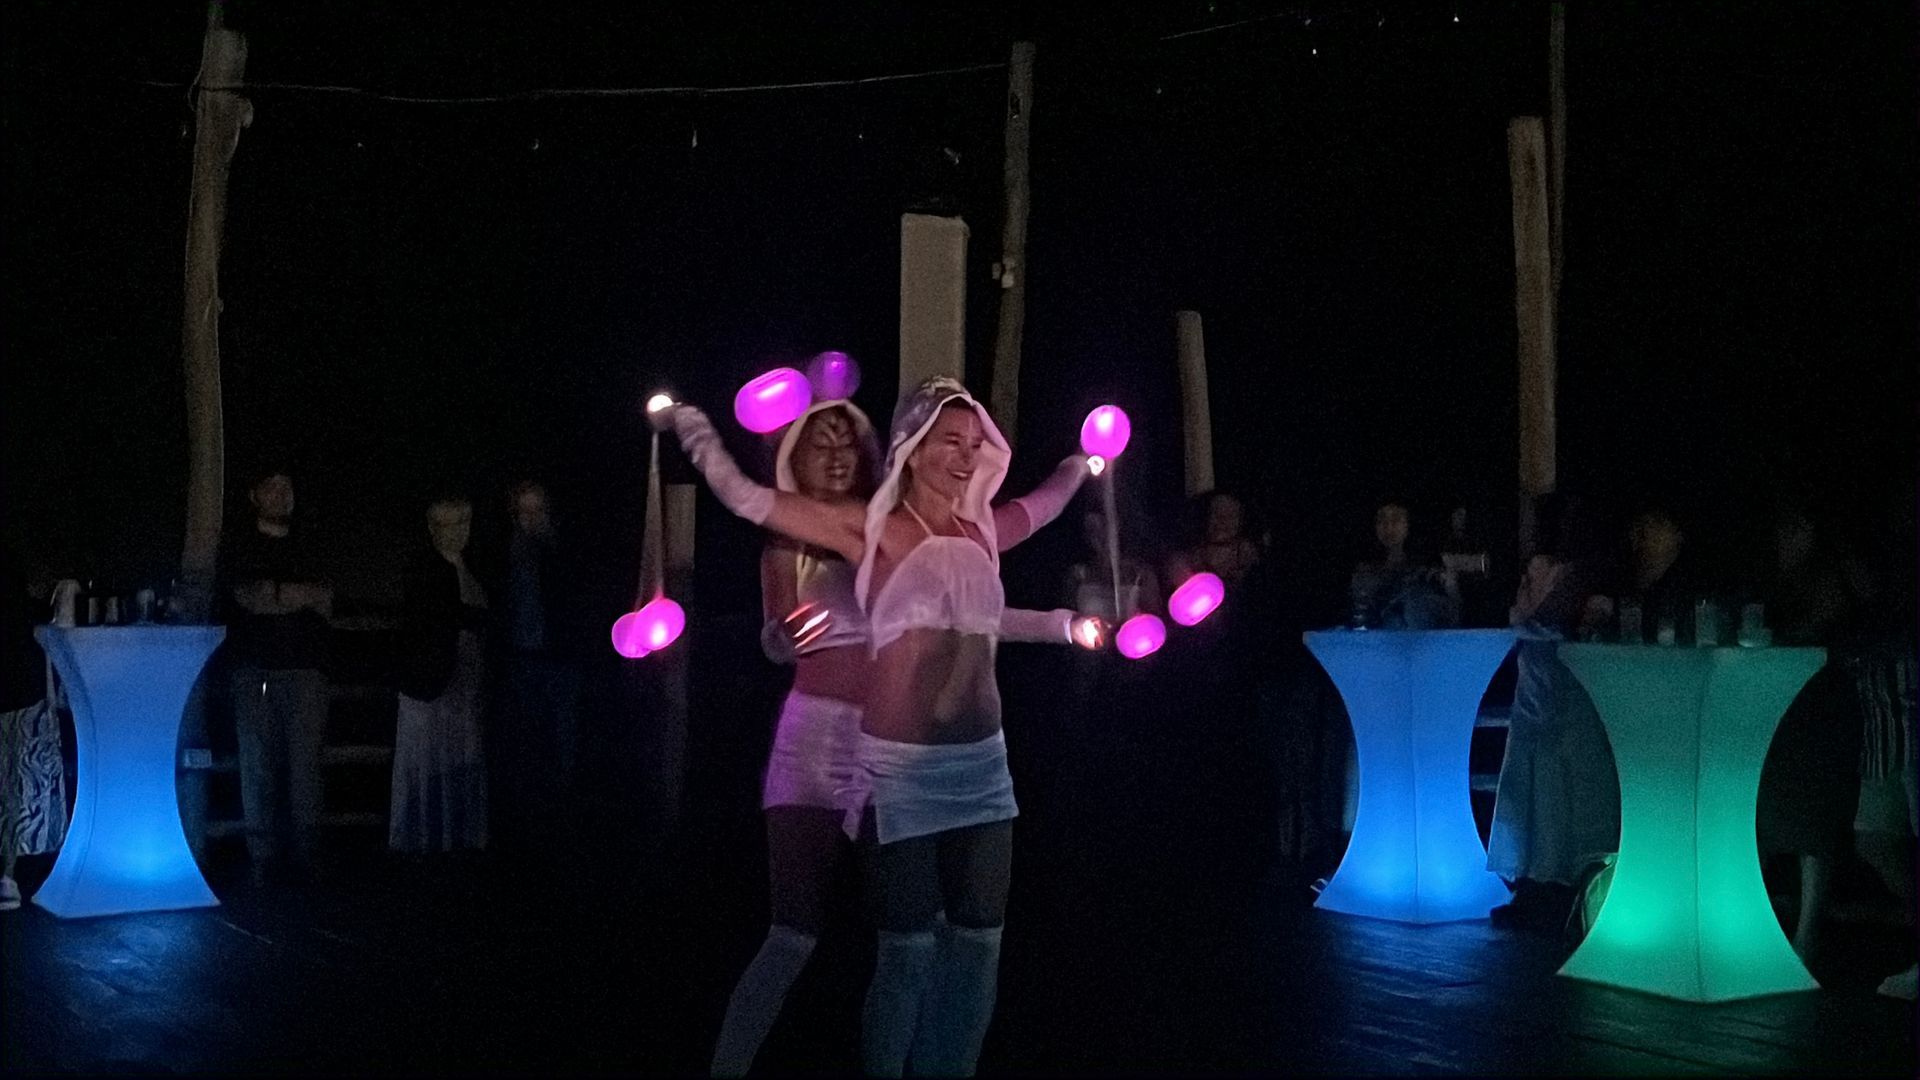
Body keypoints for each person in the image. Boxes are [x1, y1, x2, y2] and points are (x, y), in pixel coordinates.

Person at [656, 376, 1095, 1076]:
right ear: (912, 448)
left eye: (973, 443)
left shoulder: (972, 529)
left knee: (960, 939)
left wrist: (1084, 465)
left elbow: (993, 588)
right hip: (851, 748)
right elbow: (750, 526)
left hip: (958, 757)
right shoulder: (832, 535)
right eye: (949, 441)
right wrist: (690, 425)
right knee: (823, 936)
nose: (965, 454)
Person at [1485, 494, 1617, 935]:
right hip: (1536, 686)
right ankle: (1534, 890)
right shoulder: (1548, 569)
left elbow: (1537, 619)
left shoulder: (1587, 573)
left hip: (1570, 688)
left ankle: (1571, 893)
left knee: (1568, 791)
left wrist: (1530, 619)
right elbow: (1527, 615)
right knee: (1534, 790)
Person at [1755, 507, 1871, 964]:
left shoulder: (1830, 576)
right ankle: (1764, 925)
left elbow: (1819, 627)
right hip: (1784, 710)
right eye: (1784, 527)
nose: (1788, 537)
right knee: (1773, 817)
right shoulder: (1777, 579)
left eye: (1798, 527)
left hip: (1823, 709)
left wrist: (1771, 639)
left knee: (1814, 824)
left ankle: (1807, 936)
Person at [221, 467, 333, 884]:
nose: (282, 494)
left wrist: (280, 595)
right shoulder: (240, 547)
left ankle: (307, 855)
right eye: (271, 487)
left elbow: (325, 599)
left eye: (287, 486)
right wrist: (295, 596)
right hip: (254, 671)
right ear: (254, 495)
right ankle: (262, 859)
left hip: (306, 671)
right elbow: (252, 598)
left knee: (306, 768)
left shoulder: (310, 544)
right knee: (257, 766)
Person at [389, 494, 490, 853]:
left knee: (461, 753)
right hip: (431, 679)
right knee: (428, 756)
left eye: (463, 523)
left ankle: (458, 834)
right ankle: (424, 836)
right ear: (433, 529)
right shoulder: (422, 569)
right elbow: (439, 615)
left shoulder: (475, 566)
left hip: (466, 679)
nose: (457, 532)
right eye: (448, 524)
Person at [494, 479, 585, 853]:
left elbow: (573, 604)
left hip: (558, 660)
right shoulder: (509, 555)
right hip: (522, 660)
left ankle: (562, 826)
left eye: (536, 509)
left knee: (562, 743)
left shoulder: (562, 552)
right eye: (524, 511)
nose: (530, 518)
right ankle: (526, 829)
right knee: (525, 744)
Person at [1, 543, 64, 911]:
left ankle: (6, 876)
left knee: (11, 785)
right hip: (20, 688)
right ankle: (6, 875)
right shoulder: (19, 574)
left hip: (16, 687)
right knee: (14, 786)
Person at [1347, 500, 1460, 630]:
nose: (1388, 527)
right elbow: (1359, 616)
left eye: (1396, 520)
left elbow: (1452, 614)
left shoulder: (1429, 569)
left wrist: (1450, 587)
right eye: (1381, 521)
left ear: (1408, 524)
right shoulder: (1364, 571)